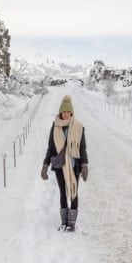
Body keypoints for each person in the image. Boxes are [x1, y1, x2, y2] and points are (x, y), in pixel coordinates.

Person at [41, 95, 89, 231]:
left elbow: (82, 147)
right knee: (63, 192)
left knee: (74, 192)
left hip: (75, 165)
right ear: (60, 112)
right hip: (60, 165)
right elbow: (50, 147)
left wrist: (84, 165)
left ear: (72, 112)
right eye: (64, 112)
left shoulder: (79, 127)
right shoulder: (55, 126)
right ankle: (64, 222)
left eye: (69, 112)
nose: (66, 114)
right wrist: (45, 165)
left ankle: (71, 224)